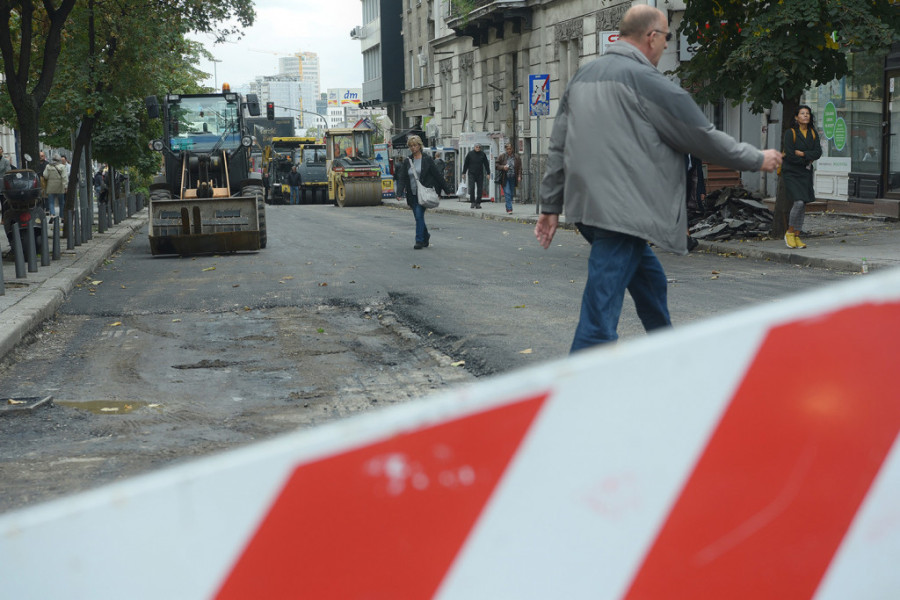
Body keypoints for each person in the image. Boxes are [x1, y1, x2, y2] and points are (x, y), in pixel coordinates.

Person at [534, 5, 781, 352]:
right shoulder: (648, 81)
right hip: (623, 212)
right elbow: (702, 136)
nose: (667, 44)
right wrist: (757, 158)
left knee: (651, 282)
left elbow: (558, 146)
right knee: (599, 316)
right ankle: (584, 377)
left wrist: (550, 206)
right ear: (651, 37)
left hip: (588, 209)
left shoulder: (583, 76)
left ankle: (667, 356)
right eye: (666, 37)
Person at [395, 135, 450, 249]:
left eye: (415, 145)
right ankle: (426, 235)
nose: (413, 148)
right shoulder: (408, 161)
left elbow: (437, 175)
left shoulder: (427, 159)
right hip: (412, 194)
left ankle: (419, 240)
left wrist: (446, 189)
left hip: (423, 193)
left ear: (420, 146)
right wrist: (399, 193)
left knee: (419, 216)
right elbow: (402, 178)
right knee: (418, 217)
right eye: (411, 146)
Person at [782, 105, 822, 249]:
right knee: (798, 202)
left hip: (806, 172)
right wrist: (807, 159)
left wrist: (803, 154)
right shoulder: (790, 133)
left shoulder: (813, 133)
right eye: (802, 113)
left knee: (803, 203)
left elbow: (818, 152)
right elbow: (790, 154)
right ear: (796, 117)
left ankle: (797, 235)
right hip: (791, 172)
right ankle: (789, 233)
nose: (805, 115)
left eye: (807, 113)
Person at [461, 143, 491, 209]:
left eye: (479, 147)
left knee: (480, 189)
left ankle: (478, 203)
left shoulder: (482, 154)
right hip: (471, 173)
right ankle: (472, 202)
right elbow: (466, 164)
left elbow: (486, 164)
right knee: (472, 188)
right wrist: (463, 173)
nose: (478, 148)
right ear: (474, 147)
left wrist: (488, 173)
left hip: (480, 174)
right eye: (477, 147)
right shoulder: (470, 154)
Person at [496, 142, 522, 214]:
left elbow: (519, 167)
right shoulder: (502, 156)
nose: (509, 150)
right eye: (507, 149)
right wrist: (503, 167)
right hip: (505, 177)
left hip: (513, 177)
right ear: (505, 149)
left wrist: (519, 176)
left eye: (510, 149)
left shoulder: (516, 157)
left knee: (511, 193)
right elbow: (496, 165)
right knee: (507, 192)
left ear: (512, 149)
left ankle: (507, 205)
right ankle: (510, 209)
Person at [43, 154, 67, 219]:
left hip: (50, 187)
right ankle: (62, 216)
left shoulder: (48, 166)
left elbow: (45, 175)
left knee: (51, 202)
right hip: (60, 187)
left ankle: (52, 215)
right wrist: (65, 186)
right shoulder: (62, 167)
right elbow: (64, 177)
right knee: (61, 202)